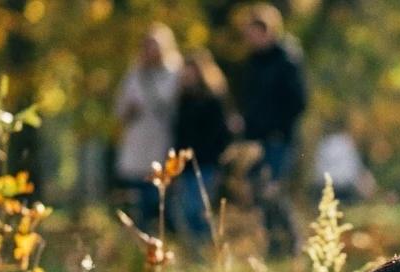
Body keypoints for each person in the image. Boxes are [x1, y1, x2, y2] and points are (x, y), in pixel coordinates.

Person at [238, 3, 308, 257]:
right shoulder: (252, 63)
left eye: (256, 32)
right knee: (260, 192)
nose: (252, 38)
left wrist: (279, 128)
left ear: (269, 31)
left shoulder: (287, 59)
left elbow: (298, 101)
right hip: (255, 140)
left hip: (278, 138)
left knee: (273, 190)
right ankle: (275, 244)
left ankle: (291, 242)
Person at [114, 24, 182, 231]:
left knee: (161, 200)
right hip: (138, 145)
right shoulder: (135, 75)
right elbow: (119, 110)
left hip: (163, 142)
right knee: (139, 203)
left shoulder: (175, 74)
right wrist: (130, 110)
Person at [172, 50, 234, 249]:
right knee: (187, 211)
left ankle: (206, 248)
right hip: (186, 166)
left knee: (199, 210)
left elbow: (221, 135)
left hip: (207, 164)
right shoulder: (183, 100)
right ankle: (197, 250)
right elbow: (179, 136)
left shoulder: (212, 100)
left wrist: (218, 163)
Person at [311, 117, 376, 201]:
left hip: (324, 185)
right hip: (337, 188)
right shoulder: (345, 145)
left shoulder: (328, 142)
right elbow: (350, 173)